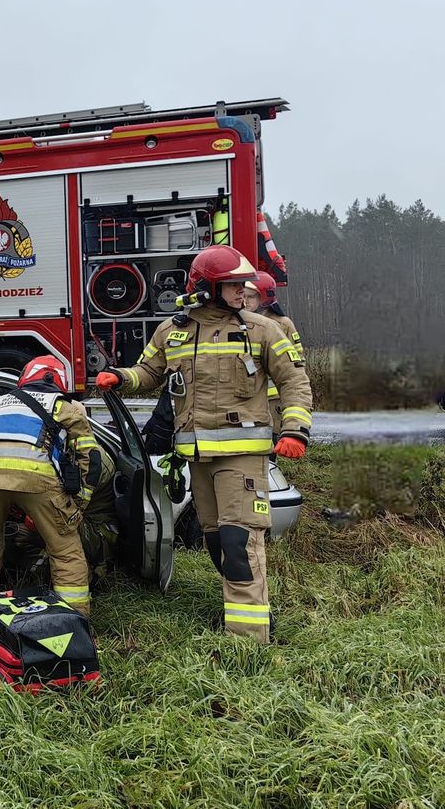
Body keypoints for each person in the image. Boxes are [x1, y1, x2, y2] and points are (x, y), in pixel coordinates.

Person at [96, 245, 312, 643]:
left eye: (244, 285)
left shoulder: (262, 330)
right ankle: (253, 613)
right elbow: (149, 371)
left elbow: (294, 381)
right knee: (215, 542)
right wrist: (121, 378)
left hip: (242, 458)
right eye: (233, 285)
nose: (243, 291)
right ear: (207, 287)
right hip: (197, 458)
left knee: (238, 542)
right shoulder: (171, 331)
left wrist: (294, 430)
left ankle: (248, 641)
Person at [0, 355, 106, 615]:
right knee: (65, 549)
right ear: (59, 381)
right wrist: (77, 505)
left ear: (25, 378)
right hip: (36, 476)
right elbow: (91, 458)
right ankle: (74, 617)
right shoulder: (65, 408)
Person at [245, 270, 306, 439]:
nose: (245, 300)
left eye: (251, 296)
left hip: (273, 397)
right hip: (250, 396)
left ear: (264, 298)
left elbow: (297, 361)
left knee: (272, 439)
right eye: (244, 295)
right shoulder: (239, 322)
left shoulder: (282, 324)